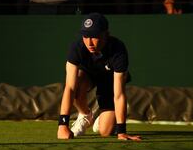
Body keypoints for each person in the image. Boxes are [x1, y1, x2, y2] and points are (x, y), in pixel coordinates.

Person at [57, 12, 141, 141]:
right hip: (87, 76)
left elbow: (119, 95)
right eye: (85, 36)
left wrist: (121, 132)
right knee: (77, 79)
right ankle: (85, 114)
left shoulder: (118, 50)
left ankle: (103, 119)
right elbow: (70, 88)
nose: (89, 42)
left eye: (94, 36)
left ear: (106, 34)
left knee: (105, 131)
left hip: (109, 82)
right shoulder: (77, 48)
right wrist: (62, 125)